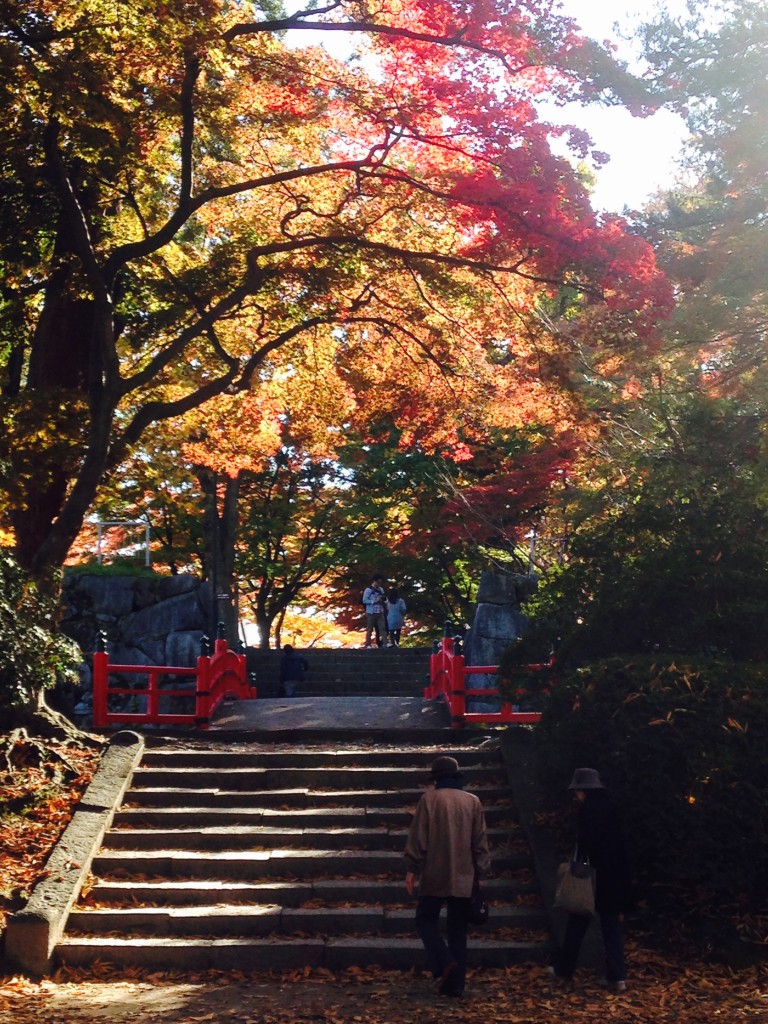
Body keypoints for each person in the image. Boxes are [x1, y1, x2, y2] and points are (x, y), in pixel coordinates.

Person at [404, 755, 491, 998]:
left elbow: (418, 838)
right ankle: (456, 985)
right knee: (457, 929)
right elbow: (480, 842)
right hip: (464, 875)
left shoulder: (429, 800)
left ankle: (444, 961)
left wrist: (413, 867)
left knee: (425, 919)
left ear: (436, 779)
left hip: (435, 872)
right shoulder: (472, 801)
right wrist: (481, 872)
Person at [550, 767, 632, 992]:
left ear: (582, 789)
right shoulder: (612, 806)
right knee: (611, 926)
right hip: (614, 876)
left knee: (577, 922)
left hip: (590, 876)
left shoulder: (587, 810)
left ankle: (564, 970)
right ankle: (617, 976)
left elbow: (586, 843)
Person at [362, 573, 387, 648]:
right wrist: (374, 601)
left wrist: (383, 601)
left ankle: (385, 643)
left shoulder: (381, 589)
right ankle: (368, 644)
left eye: (380, 583)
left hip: (380, 611)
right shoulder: (368, 590)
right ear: (374, 581)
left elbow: (384, 598)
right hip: (371, 612)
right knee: (370, 629)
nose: (379, 584)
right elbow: (364, 600)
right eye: (378, 582)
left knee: (382, 628)